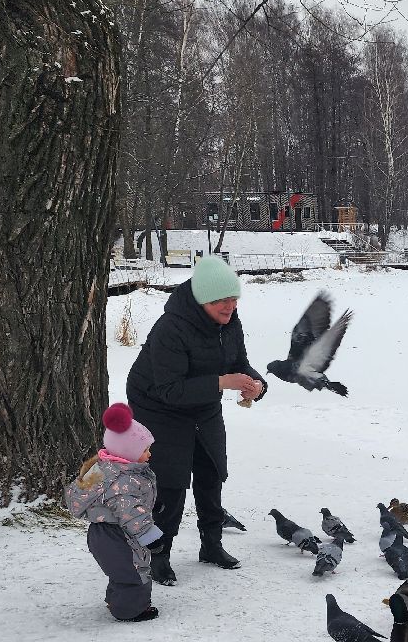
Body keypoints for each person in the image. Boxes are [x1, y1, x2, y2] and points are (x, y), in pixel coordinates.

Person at [125, 255, 267, 584]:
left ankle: (212, 545)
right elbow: (170, 390)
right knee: (170, 484)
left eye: (233, 299)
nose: (229, 307)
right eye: (221, 301)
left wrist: (255, 385)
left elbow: (239, 363)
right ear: (202, 299)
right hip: (158, 407)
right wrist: (222, 382)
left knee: (210, 471)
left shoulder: (230, 322)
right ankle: (158, 555)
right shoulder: (170, 328)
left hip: (203, 404)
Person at [65, 403, 164, 623]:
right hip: (117, 535)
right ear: (128, 452)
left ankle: (116, 601)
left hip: (104, 533)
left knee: (121, 570)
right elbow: (131, 513)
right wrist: (151, 537)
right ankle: (130, 610)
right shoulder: (123, 480)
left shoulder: (107, 469)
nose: (149, 453)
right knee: (134, 571)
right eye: (145, 450)